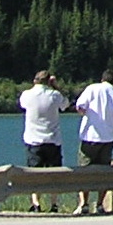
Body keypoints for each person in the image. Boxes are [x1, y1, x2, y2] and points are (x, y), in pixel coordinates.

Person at [72, 68, 113, 214]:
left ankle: (83, 203)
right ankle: (99, 204)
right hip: (107, 139)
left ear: (102, 79)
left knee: (84, 171)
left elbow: (79, 107)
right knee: (103, 172)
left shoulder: (92, 89)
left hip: (89, 137)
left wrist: (87, 114)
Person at [18, 71, 75, 213]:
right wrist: (56, 87)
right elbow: (66, 104)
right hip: (52, 140)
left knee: (34, 174)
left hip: (33, 140)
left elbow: (23, 105)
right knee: (54, 173)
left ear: (35, 80)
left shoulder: (27, 95)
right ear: (49, 81)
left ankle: (36, 203)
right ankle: (54, 204)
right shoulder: (55, 95)